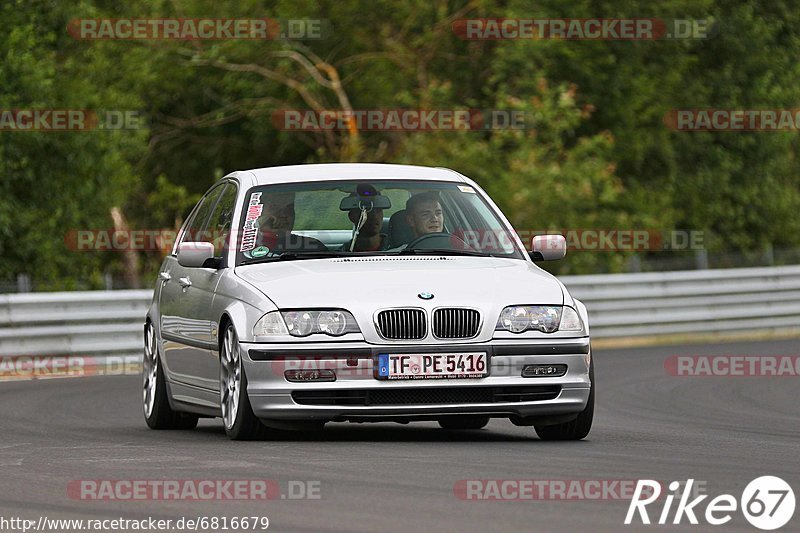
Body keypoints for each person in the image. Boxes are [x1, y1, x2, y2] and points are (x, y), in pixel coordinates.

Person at [255, 191, 327, 254]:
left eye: (289, 209)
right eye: (275, 208)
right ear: (258, 214)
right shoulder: (247, 247)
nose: (284, 215)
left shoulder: (312, 247)